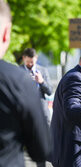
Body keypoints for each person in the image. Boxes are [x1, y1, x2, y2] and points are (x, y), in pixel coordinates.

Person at [0, 1, 51, 167]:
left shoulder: (25, 78)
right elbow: (40, 150)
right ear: (7, 33)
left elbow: (49, 90)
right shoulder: (19, 80)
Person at [20, 48, 53, 124]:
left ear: (36, 58)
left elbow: (50, 92)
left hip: (42, 113)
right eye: (27, 62)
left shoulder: (43, 70)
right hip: (25, 112)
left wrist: (42, 82)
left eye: (32, 62)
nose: (30, 64)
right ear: (23, 58)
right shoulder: (18, 70)